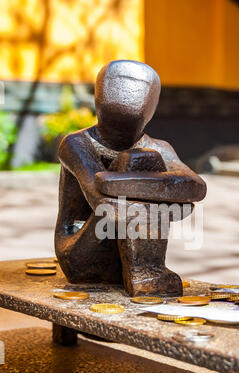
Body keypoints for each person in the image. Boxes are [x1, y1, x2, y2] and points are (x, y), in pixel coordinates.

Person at [55, 60, 206, 296]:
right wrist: (168, 201)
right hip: (81, 251)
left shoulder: (158, 147)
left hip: (118, 244)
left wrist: (112, 182)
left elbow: (195, 186)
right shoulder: (77, 144)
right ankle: (144, 272)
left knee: (142, 158)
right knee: (135, 161)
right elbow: (102, 202)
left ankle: (146, 269)